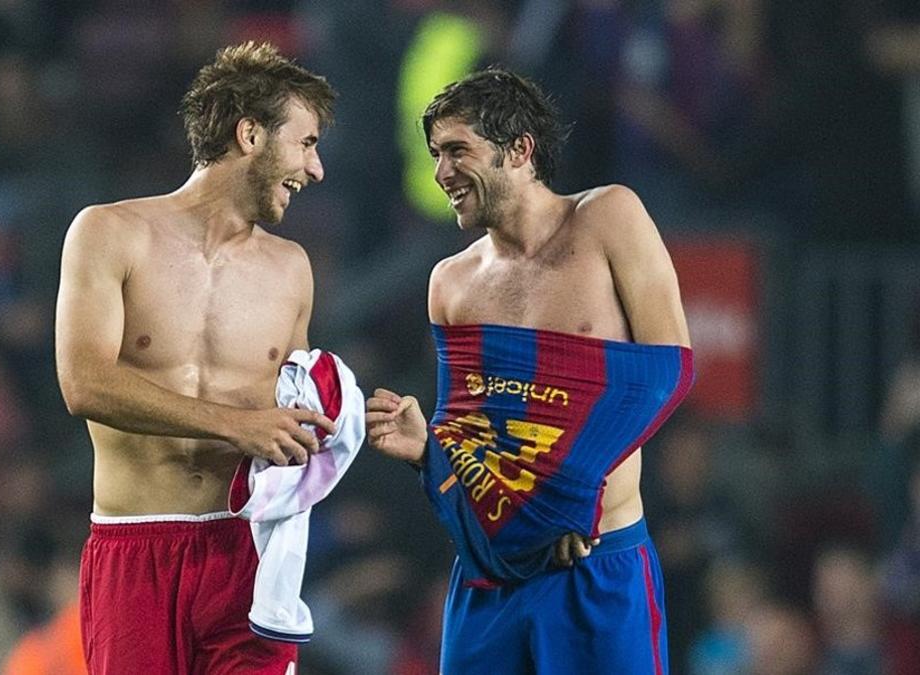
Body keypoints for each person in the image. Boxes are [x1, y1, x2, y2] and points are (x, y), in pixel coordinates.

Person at [366, 69, 693, 674]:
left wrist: (566, 500)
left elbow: (665, 370)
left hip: (596, 564)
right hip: (490, 571)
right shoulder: (449, 282)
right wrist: (426, 450)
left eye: (457, 150)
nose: (441, 174)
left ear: (519, 149)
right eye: (436, 154)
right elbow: (470, 432)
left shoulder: (608, 218)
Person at [54, 42, 336, 674]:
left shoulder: (293, 269)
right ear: (250, 133)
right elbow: (84, 384)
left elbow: (289, 413)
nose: (315, 169)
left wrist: (340, 423)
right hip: (136, 548)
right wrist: (235, 423)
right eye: (307, 142)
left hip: (246, 552)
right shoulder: (108, 232)